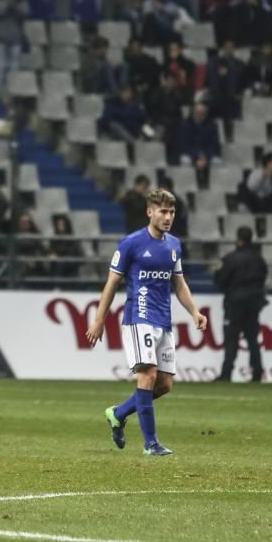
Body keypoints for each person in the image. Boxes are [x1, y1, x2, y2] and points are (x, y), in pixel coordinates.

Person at [86, 189, 208, 456]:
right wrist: (99, 321)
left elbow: (178, 282)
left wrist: (194, 312)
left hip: (163, 319)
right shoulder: (131, 243)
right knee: (148, 375)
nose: (168, 217)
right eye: (163, 211)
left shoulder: (174, 245)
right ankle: (151, 443)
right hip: (139, 317)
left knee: (164, 385)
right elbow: (111, 284)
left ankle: (117, 414)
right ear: (149, 212)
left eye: (172, 212)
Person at [214, 227, 268, 382]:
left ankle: (226, 373)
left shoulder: (230, 259)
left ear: (238, 239)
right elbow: (263, 278)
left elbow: (221, 280)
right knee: (252, 339)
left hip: (234, 303)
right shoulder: (259, 259)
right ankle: (257, 373)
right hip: (253, 303)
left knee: (231, 339)